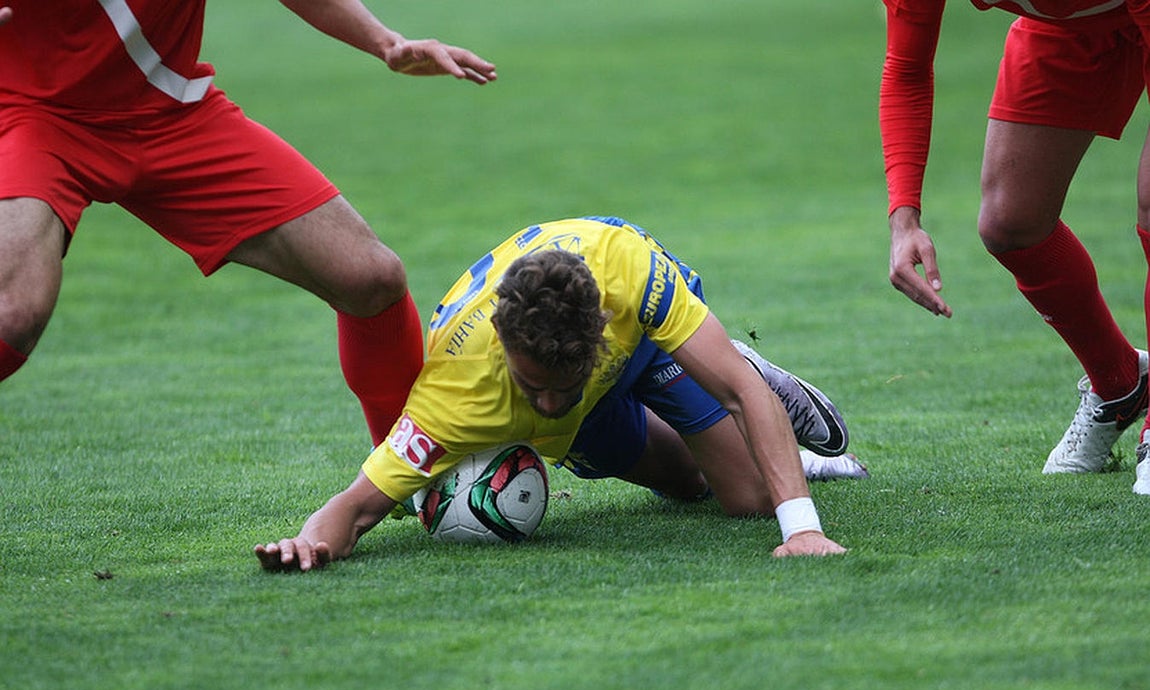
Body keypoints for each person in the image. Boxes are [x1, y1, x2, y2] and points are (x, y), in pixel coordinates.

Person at [0, 1, 496, 446]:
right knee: (13, 314)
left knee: (370, 277)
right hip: (36, 118)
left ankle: (414, 468)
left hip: (172, 116)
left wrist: (387, 42)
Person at [256, 216, 867, 571]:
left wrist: (802, 529)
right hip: (580, 406)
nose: (546, 402)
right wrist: (307, 546)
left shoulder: (632, 277)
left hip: (638, 346)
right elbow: (356, 507)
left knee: (756, 499)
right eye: (532, 388)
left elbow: (737, 392)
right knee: (687, 486)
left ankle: (746, 370)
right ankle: (724, 436)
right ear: (503, 345)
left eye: (559, 386)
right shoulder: (453, 396)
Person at [880, 0, 1150, 492]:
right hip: (1069, 24)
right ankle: (1120, 384)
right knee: (1011, 222)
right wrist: (904, 218)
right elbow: (907, 68)